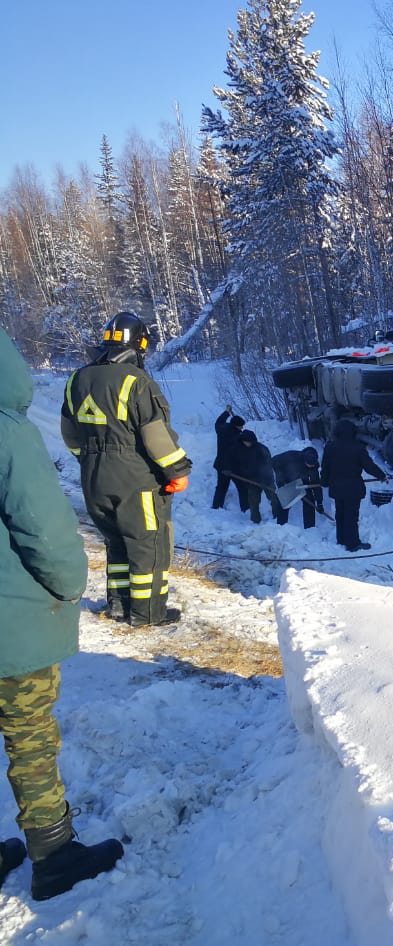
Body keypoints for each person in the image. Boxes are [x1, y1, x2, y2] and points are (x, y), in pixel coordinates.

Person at [1, 327, 126, 900]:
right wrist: (71, 587)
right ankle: (53, 855)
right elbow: (45, 529)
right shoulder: (7, 431)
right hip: (12, 622)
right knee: (29, 736)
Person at [60, 312, 191, 627]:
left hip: (93, 477)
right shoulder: (136, 380)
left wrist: (91, 460)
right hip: (135, 477)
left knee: (116, 541)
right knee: (148, 544)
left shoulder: (77, 379)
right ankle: (148, 614)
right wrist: (177, 470)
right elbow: (155, 434)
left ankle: (119, 606)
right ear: (140, 344)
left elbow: (69, 433)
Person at [321, 420, 387, 551]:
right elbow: (369, 466)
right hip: (353, 488)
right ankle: (352, 544)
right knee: (351, 516)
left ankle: (341, 539)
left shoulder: (330, 447)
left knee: (340, 514)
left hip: (337, 487)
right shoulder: (358, 447)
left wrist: (324, 481)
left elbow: (325, 467)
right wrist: (381, 475)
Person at [234, 430, 284, 524]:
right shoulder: (241, 449)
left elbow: (268, 465)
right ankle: (255, 521)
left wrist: (264, 479)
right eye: (244, 441)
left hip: (266, 479)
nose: (246, 443)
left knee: (274, 499)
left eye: (248, 441)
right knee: (253, 502)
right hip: (251, 480)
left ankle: (278, 518)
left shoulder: (262, 449)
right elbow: (239, 464)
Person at [272, 446, 322, 528]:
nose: (312, 466)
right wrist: (281, 482)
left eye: (313, 465)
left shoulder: (314, 465)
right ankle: (281, 527)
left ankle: (309, 528)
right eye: (309, 465)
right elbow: (274, 461)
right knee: (285, 501)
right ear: (305, 460)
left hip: (302, 481)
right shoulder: (292, 456)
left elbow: (316, 484)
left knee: (310, 501)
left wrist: (320, 503)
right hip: (287, 479)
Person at [212, 405, 246, 510]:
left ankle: (216, 506)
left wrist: (227, 412)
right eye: (241, 426)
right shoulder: (237, 437)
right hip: (232, 467)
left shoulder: (222, 429)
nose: (242, 428)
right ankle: (245, 508)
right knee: (242, 487)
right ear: (236, 426)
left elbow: (218, 422)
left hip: (220, 464)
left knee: (221, 487)